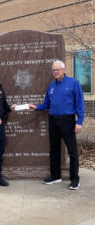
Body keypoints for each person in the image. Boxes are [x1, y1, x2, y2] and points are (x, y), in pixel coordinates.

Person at [29, 60, 84, 190]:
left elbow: (80, 103)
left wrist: (79, 122)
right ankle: (55, 176)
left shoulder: (73, 83)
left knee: (72, 151)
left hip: (67, 120)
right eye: (54, 70)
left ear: (64, 70)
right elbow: (47, 104)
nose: (55, 72)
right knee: (54, 150)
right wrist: (36, 107)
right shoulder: (51, 86)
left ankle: (74, 180)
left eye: (58, 69)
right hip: (53, 120)